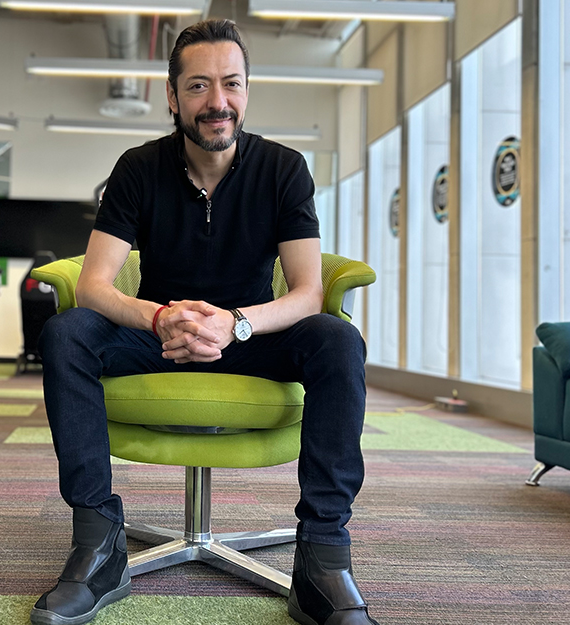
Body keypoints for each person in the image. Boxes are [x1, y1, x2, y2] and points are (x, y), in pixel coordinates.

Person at [31, 19, 377, 625]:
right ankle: (98, 545)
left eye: (231, 83)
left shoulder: (283, 169)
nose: (218, 101)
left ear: (246, 90)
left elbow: (307, 292)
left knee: (338, 340)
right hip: (157, 337)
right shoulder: (138, 168)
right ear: (172, 96)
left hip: (250, 337)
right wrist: (160, 317)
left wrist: (236, 323)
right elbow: (93, 285)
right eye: (198, 85)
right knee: (65, 333)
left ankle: (322, 558)